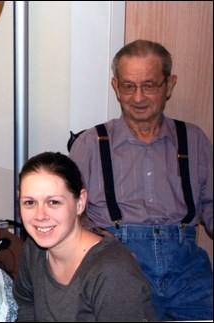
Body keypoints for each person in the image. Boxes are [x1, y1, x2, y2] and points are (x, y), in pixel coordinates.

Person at [69, 39, 213, 320]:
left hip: (188, 271)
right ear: (115, 86)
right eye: (128, 86)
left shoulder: (194, 139)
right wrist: (101, 244)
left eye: (149, 85)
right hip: (118, 263)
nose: (138, 98)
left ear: (169, 85)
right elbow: (68, 215)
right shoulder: (89, 145)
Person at [13, 152, 155, 322]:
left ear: (80, 202)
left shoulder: (112, 274)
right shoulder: (34, 249)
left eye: (54, 202)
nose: (40, 215)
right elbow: (25, 302)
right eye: (29, 202)